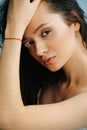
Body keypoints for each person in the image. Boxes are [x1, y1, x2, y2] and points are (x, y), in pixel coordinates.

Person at [0, 0, 87, 129]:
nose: (39, 51)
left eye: (45, 32)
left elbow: (8, 120)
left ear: (73, 21)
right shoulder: (43, 83)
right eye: (29, 43)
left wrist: (14, 29)